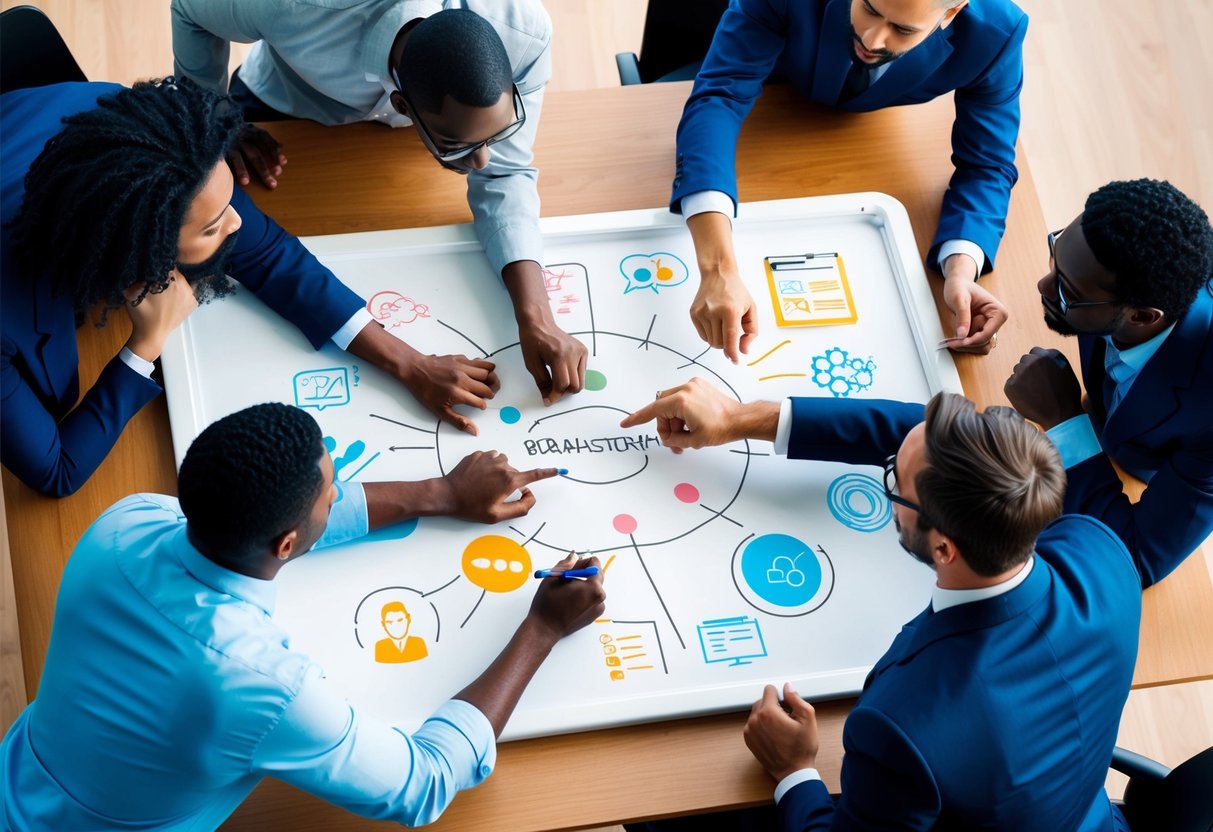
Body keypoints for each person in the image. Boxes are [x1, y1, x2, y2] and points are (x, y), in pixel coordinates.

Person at [0, 402, 606, 829]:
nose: (338, 495)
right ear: (287, 543)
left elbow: (262, 522)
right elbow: (420, 785)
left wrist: (441, 493)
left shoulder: (124, 521)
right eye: (331, 491)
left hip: (17, 780)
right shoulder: (263, 686)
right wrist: (543, 628)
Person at [621, 381, 1140, 830]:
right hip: (1090, 817)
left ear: (943, 548)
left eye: (894, 480)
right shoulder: (1103, 553)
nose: (886, 480)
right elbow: (925, 440)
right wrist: (740, 418)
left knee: (656, 803)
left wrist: (795, 770)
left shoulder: (902, 730)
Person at [0, 77, 511, 497]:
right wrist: (145, 346)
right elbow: (57, 471)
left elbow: (271, 257)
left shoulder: (151, 149)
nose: (237, 224)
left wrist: (409, 363)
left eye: (227, 203)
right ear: (136, 246)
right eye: (212, 226)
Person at [171, 0, 587, 404]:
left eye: (494, 135)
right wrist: (216, 121)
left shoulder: (523, 33)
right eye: (457, 146)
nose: (481, 161)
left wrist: (537, 316)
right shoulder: (294, 8)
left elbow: (503, 173)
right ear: (402, 106)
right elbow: (189, 9)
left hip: (419, 130)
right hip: (286, 108)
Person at [672, 0, 1025, 362]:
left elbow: (988, 164)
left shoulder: (996, 33)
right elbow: (719, 97)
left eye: (902, 29)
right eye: (869, 8)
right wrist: (717, 269)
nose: (872, 39)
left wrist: (961, 269)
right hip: (769, 90)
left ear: (951, 13)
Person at [1005, 178, 1213, 588]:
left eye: (1066, 290)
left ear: (1142, 317)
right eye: (1054, 254)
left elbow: (1132, 560)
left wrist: (1065, 421)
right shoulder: (1125, 252)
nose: (1043, 286)